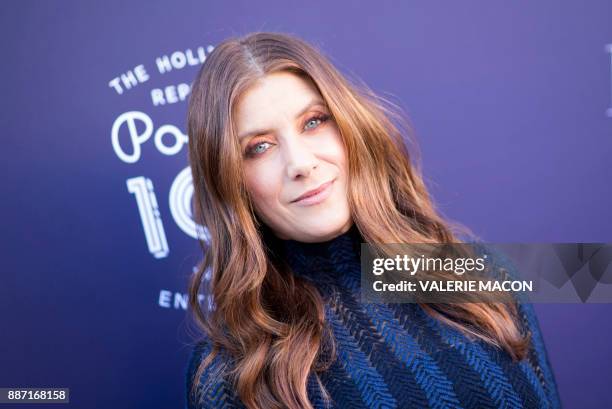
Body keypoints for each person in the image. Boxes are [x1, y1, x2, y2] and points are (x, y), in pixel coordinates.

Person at [184, 31, 561, 409]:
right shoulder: (230, 378)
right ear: (230, 181)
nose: (300, 163)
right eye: (259, 147)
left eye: (314, 122)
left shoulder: (482, 273)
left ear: (352, 127)